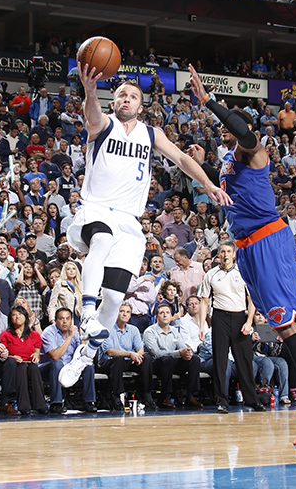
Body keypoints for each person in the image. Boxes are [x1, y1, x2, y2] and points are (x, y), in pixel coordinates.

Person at [188, 64, 296, 449]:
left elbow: (245, 133)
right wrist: (204, 163)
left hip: (265, 241)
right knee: (293, 323)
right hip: (252, 247)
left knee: (285, 327)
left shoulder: (255, 151)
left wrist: (209, 101)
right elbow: (235, 189)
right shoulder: (233, 162)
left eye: (231, 127)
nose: (227, 132)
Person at [58, 68, 229, 389]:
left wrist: (208, 184)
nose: (126, 99)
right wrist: (90, 90)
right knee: (102, 237)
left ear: (141, 105)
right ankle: (86, 315)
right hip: (95, 209)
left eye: (133, 96)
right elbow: (91, 115)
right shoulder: (104, 124)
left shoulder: (151, 134)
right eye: (121, 94)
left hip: (128, 222)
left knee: (113, 298)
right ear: (114, 101)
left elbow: (181, 158)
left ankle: (84, 354)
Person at [199, 241, 264, 413]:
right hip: (219, 317)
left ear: (234, 254)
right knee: (220, 361)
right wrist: (201, 325)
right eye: (222, 251)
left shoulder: (243, 272)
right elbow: (204, 301)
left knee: (244, 361)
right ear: (218, 254)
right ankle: (221, 400)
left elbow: (252, 300)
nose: (225, 254)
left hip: (239, 317)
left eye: (228, 251)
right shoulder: (211, 274)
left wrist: (249, 321)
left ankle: (252, 399)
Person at [143, 303, 203, 408]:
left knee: (194, 359)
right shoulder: (150, 332)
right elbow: (156, 354)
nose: (165, 315)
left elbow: (182, 347)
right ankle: (165, 397)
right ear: (157, 317)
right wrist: (179, 353)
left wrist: (187, 353)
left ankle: (190, 396)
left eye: (167, 313)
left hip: (172, 362)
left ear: (171, 317)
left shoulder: (175, 331)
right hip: (156, 364)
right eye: (162, 313)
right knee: (167, 359)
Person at [98, 303, 156, 410]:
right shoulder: (107, 329)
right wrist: (130, 354)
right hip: (109, 363)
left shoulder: (134, 329)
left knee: (146, 358)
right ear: (116, 313)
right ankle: (117, 396)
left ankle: (147, 394)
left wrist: (138, 355)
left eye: (128, 312)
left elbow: (140, 348)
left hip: (127, 361)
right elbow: (110, 352)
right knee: (118, 359)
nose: (125, 314)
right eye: (122, 311)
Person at [40, 308, 96, 414]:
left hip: (69, 367)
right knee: (57, 364)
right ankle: (56, 403)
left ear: (71, 320)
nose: (65, 321)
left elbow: (82, 354)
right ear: (55, 320)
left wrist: (82, 338)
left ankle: (89, 402)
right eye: (61, 319)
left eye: (67, 318)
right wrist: (69, 337)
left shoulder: (75, 332)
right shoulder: (49, 332)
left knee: (88, 365)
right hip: (47, 369)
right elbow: (55, 356)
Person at [0, 305, 48, 414]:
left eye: (20, 314)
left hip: (30, 363)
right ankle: (24, 406)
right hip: (15, 364)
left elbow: (37, 352)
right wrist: (11, 357)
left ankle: (40, 405)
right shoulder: (5, 335)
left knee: (34, 369)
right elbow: (1, 354)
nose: (17, 317)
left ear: (26, 317)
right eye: (14, 314)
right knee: (21, 368)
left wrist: (36, 355)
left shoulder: (34, 335)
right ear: (10, 318)